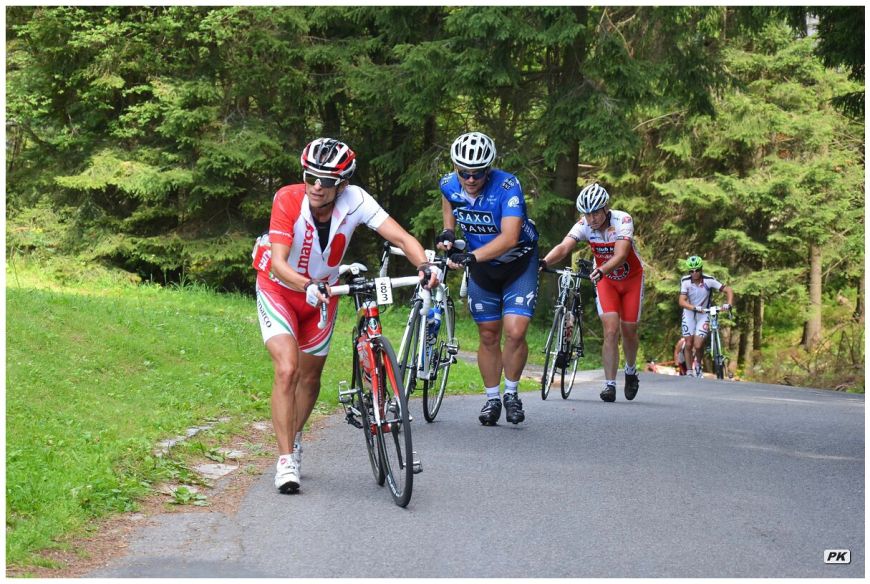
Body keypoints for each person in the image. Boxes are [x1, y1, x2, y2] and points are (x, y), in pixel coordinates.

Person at [252, 137, 440, 494]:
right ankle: (285, 459)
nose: (316, 186)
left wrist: (424, 264)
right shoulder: (288, 198)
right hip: (280, 288)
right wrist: (305, 282)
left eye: (326, 180)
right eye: (310, 176)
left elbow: (400, 236)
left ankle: (294, 436)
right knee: (287, 368)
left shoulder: (357, 201)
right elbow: (278, 262)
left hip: (324, 294)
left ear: (343, 184)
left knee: (310, 379)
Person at [435, 131, 540, 426]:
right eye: (464, 172)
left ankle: (511, 393)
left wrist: (470, 257)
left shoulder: (507, 185)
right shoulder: (448, 183)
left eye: (477, 173)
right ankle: (492, 398)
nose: (470, 179)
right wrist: (449, 232)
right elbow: (449, 203)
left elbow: (509, 237)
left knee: (516, 331)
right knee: (488, 334)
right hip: (482, 266)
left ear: (489, 168)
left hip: (517, 262)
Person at [539, 182, 644, 402]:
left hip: (631, 279)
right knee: (611, 330)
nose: (592, 219)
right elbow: (564, 247)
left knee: (629, 331)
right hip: (606, 281)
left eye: (595, 213)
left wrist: (602, 269)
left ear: (606, 208)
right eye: (587, 214)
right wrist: (544, 261)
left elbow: (622, 254)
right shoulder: (584, 224)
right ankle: (610, 385)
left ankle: (631, 371)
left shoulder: (622, 220)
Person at [677, 255, 734, 377]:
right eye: (691, 271)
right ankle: (689, 371)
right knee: (688, 343)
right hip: (689, 313)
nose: (694, 273)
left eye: (697, 270)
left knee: (698, 345)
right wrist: (694, 307)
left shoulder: (709, 280)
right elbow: (681, 301)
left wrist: (728, 304)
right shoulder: (685, 281)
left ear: (701, 269)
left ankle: (698, 365)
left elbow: (728, 290)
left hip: (703, 314)